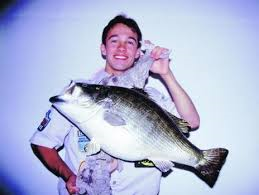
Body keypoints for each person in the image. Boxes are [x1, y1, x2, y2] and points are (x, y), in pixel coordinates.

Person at [30, 14, 200, 195]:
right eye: (114, 41)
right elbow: (42, 142)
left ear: (138, 53)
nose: (121, 48)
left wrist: (166, 74)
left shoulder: (152, 98)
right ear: (103, 49)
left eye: (130, 42)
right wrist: (68, 176)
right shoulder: (78, 94)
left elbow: (191, 122)